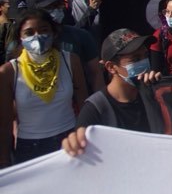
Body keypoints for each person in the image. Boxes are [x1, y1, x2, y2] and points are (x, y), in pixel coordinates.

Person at [0, 9, 88, 166]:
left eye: (43, 30)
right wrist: (4, 158)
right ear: (20, 37)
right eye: (29, 32)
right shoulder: (9, 72)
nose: (37, 36)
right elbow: (5, 121)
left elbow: (84, 105)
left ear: (54, 33)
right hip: (29, 148)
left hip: (70, 140)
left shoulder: (70, 61)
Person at [62, 28, 162, 157]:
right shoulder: (96, 109)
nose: (144, 63)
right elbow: (79, 147)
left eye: (145, 56)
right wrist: (74, 143)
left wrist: (162, 88)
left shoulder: (154, 96)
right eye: (135, 59)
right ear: (111, 67)